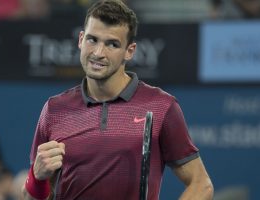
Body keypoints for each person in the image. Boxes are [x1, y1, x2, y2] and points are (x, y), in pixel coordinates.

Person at [22, 0, 214, 199]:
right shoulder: (54, 109)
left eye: (112, 44)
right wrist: (37, 179)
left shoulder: (161, 106)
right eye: (92, 40)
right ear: (80, 40)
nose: (98, 53)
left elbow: (201, 184)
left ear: (129, 51)